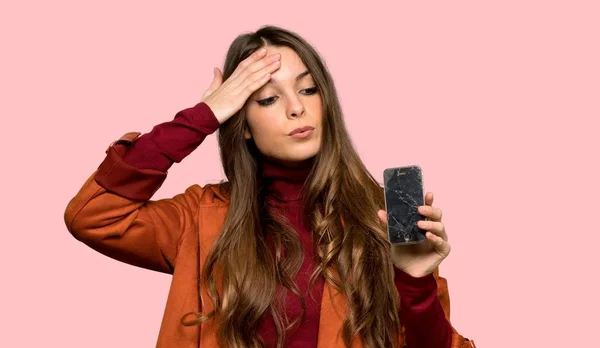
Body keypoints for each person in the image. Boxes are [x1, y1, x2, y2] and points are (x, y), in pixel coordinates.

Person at [64, 25, 475, 348]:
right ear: (241, 123)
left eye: (309, 89)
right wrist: (204, 116)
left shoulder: (379, 218)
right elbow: (93, 216)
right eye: (267, 99)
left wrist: (417, 283)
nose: (297, 107)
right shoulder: (200, 219)